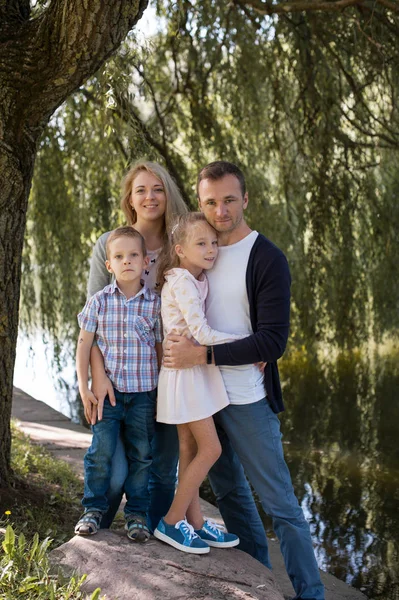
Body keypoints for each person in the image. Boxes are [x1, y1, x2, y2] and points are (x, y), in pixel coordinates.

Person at [163, 162, 325, 599]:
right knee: (232, 495)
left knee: (281, 506)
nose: (220, 209)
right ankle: (259, 583)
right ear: (200, 204)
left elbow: (272, 342)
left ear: (246, 199)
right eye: (210, 201)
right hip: (201, 395)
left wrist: (207, 352)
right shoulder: (201, 250)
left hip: (246, 397)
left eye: (229, 199)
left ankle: (311, 592)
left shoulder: (267, 258)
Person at [86, 160, 188, 531]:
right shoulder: (109, 245)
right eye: (141, 190)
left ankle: (155, 534)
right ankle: (98, 522)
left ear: (168, 194)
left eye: (158, 188)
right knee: (114, 473)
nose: (150, 197)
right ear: (130, 199)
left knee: (161, 468)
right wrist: (97, 379)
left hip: (170, 374)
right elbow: (92, 325)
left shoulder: (182, 245)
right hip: (116, 379)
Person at [153, 213, 241, 554]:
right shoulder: (183, 282)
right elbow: (201, 333)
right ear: (180, 249)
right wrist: (246, 341)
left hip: (190, 373)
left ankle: (198, 524)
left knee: (189, 451)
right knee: (211, 449)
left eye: (214, 242)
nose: (211, 249)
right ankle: (172, 522)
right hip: (187, 376)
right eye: (201, 243)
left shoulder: (192, 278)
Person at [74, 227, 162, 541]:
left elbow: (160, 348)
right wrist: (84, 387)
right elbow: (84, 345)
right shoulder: (99, 302)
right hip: (107, 396)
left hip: (142, 395)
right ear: (109, 265)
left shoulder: (155, 305)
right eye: (120, 257)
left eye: (134, 255)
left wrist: (164, 392)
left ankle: (137, 516)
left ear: (147, 261)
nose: (128, 261)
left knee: (142, 455)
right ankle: (93, 510)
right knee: (101, 452)